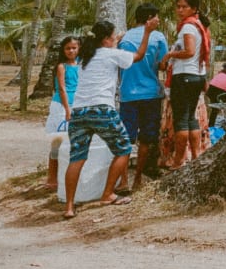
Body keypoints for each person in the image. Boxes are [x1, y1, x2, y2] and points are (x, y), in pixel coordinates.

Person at [64, 17, 159, 219]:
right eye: (114, 36)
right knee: (123, 148)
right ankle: (107, 194)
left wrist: (117, 39)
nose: (116, 39)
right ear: (106, 39)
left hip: (79, 111)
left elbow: (106, 47)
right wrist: (147, 32)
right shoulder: (111, 54)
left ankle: (69, 206)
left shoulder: (86, 56)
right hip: (102, 109)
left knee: (77, 158)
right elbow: (139, 55)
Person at [117, 3, 169, 191]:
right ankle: (138, 178)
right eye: (156, 16)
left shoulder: (124, 38)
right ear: (149, 18)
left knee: (125, 139)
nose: (159, 20)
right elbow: (163, 65)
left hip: (127, 94)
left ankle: (123, 180)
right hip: (150, 93)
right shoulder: (158, 37)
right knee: (146, 138)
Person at [159, 0, 210, 168]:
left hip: (184, 76)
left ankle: (179, 160)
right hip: (196, 76)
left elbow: (188, 52)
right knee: (191, 119)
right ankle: (195, 156)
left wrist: (169, 55)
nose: (180, 10)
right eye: (178, 6)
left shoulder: (188, 27)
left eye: (184, 7)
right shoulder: (199, 26)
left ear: (194, 9)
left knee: (181, 120)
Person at [45, 37, 80, 190]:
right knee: (57, 142)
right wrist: (67, 109)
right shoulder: (62, 66)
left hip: (77, 105)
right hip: (61, 106)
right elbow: (62, 88)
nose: (71, 51)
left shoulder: (81, 65)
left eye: (74, 48)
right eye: (68, 48)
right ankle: (51, 178)